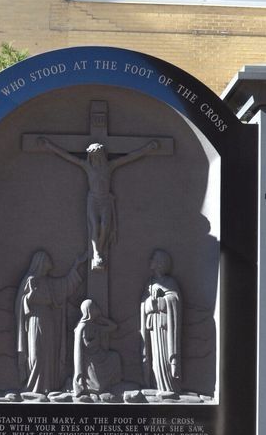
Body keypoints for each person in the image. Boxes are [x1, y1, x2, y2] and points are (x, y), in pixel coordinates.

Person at [37, 136, 159, 271]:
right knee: (95, 226)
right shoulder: (87, 167)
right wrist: (49, 145)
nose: (95, 159)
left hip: (105, 200)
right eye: (93, 156)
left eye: (97, 156)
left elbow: (129, 157)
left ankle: (99, 249)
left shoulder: (109, 166)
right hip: (93, 200)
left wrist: (147, 149)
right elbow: (68, 156)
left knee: (105, 226)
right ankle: (96, 253)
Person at [15, 250, 85, 394]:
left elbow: (64, 286)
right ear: (40, 263)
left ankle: (48, 387)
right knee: (37, 355)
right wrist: (30, 296)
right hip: (36, 322)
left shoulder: (48, 283)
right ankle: (35, 387)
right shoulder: (30, 280)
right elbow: (22, 303)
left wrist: (76, 266)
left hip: (49, 322)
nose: (50, 264)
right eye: (47, 260)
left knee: (50, 353)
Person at [140, 250, 182, 393]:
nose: (150, 260)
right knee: (156, 361)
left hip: (165, 328)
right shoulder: (149, 284)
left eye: (153, 259)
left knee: (164, 359)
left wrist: (160, 301)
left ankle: (170, 388)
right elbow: (143, 305)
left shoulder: (170, 282)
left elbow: (174, 301)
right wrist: (149, 304)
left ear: (160, 264)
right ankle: (157, 385)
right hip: (153, 327)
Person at [73, 299, 121, 396]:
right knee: (98, 385)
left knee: (114, 357)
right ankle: (93, 386)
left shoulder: (93, 325)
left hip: (99, 354)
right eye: (93, 307)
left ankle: (112, 383)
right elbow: (87, 345)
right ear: (89, 310)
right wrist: (97, 340)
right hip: (90, 359)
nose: (96, 308)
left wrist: (102, 319)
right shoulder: (82, 327)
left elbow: (113, 326)